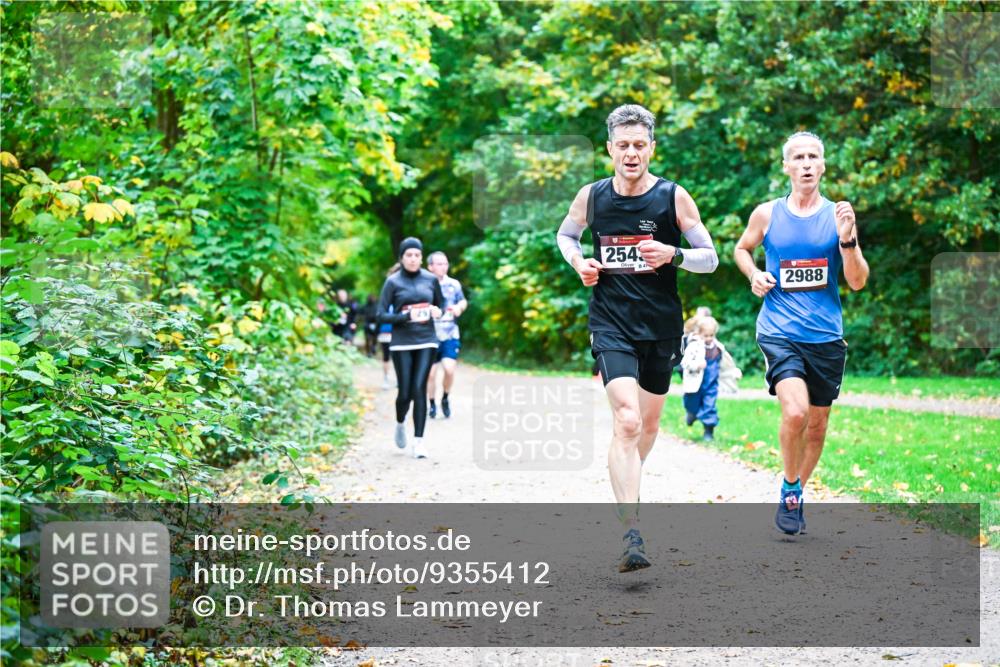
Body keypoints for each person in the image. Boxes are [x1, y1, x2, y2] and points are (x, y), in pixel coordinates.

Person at [556, 104, 719, 572]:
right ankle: (630, 530)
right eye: (622, 145)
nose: (631, 153)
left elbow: (709, 258)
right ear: (609, 149)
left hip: (661, 325)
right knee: (626, 421)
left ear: (652, 148)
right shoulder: (591, 197)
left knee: (646, 428)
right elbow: (567, 236)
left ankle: (628, 489)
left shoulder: (673, 198)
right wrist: (579, 262)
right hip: (610, 322)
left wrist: (674, 254)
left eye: (639, 145)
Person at [734, 131, 869, 535]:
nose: (807, 163)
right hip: (779, 330)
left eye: (814, 156)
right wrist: (755, 273)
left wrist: (848, 240)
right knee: (795, 412)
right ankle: (791, 487)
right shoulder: (768, 214)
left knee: (818, 424)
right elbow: (742, 249)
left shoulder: (837, 216)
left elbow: (858, 281)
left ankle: (795, 494)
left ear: (823, 165)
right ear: (786, 167)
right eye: (799, 157)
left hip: (826, 335)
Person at [376, 239, 444, 459]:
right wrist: (406, 316)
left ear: (421, 258)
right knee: (404, 392)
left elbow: (439, 306)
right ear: (402, 258)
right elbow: (380, 315)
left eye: (416, 255)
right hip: (402, 342)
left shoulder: (431, 280)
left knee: (418, 388)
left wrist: (436, 311)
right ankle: (399, 422)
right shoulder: (393, 282)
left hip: (427, 339)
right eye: (409, 255)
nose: (413, 259)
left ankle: (419, 442)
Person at [680, 316, 741, 442]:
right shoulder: (694, 347)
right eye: (705, 335)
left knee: (710, 407)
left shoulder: (718, 348)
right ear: (699, 334)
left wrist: (733, 372)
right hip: (695, 384)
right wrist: (696, 365)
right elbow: (684, 362)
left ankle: (708, 432)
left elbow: (726, 364)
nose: (708, 338)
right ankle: (691, 414)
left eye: (711, 335)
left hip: (710, 386)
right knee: (691, 403)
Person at [426, 251, 468, 419]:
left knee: (449, 370)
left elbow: (463, 300)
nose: (443, 266)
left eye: (445, 263)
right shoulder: (425, 284)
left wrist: (459, 308)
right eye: (439, 263)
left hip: (450, 333)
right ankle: (431, 404)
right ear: (430, 267)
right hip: (429, 335)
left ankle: (445, 398)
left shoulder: (454, 284)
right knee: (430, 374)